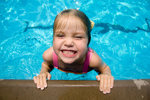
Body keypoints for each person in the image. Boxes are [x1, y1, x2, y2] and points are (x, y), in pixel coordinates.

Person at [33, 9, 114, 94]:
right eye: (60, 35)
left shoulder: (92, 60)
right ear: (53, 39)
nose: (68, 43)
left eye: (78, 37)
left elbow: (104, 68)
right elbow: (46, 64)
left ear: (88, 42)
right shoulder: (49, 55)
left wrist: (106, 75)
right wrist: (44, 72)